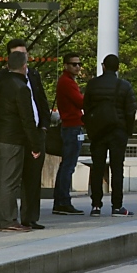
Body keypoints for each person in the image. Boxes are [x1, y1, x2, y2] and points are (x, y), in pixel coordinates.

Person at [0, 48, 40, 231]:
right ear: (24, 66)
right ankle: (9, 220)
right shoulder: (21, 88)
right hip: (13, 139)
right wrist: (35, 143)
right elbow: (27, 119)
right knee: (10, 181)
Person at [83, 53, 137, 217]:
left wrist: (92, 127)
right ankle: (117, 206)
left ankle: (96, 206)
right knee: (117, 168)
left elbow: (86, 108)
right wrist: (128, 130)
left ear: (103, 66)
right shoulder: (124, 86)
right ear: (118, 68)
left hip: (98, 132)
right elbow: (130, 111)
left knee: (97, 168)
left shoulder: (92, 85)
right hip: (118, 131)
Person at [8, 39, 50, 230]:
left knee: (33, 178)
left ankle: (30, 216)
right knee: (12, 177)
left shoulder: (33, 75)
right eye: (18, 54)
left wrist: (44, 126)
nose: (23, 58)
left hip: (35, 130)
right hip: (16, 134)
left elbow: (41, 99)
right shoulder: (5, 78)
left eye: (25, 54)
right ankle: (9, 217)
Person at [52, 52, 85, 215]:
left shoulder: (67, 81)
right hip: (72, 126)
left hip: (70, 126)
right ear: (66, 66)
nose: (77, 67)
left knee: (66, 165)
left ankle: (60, 200)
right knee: (68, 166)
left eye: (79, 64)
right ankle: (63, 201)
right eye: (74, 64)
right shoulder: (67, 83)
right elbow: (80, 101)